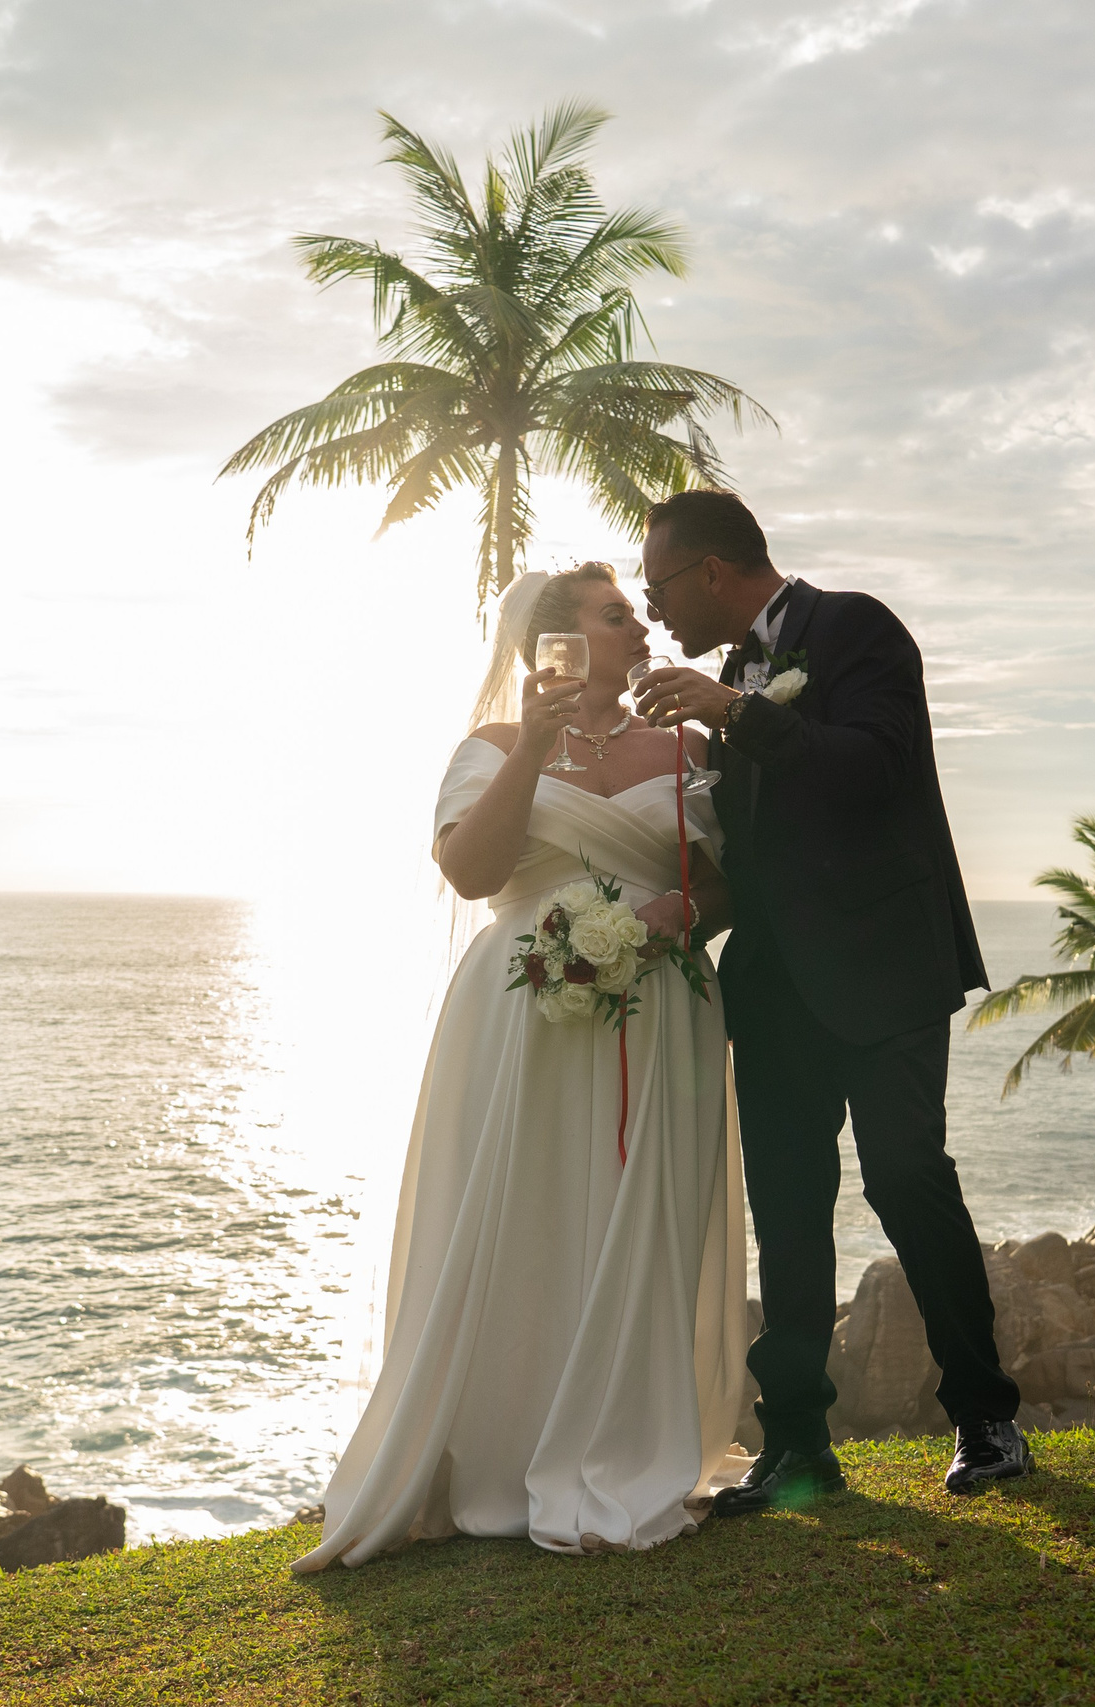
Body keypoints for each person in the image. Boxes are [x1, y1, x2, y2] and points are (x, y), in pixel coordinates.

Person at [293, 563, 750, 1573]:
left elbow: (726, 880)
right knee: (517, 1215)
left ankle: (621, 1445)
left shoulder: (684, 747)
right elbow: (470, 872)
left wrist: (684, 913)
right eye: (614, 614)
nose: (640, 625)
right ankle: (498, 1450)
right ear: (554, 641)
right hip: (519, 1008)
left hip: (659, 1005)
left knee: (644, 1212)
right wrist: (534, 744)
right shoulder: (493, 746)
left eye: (637, 613)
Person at [630, 489, 1030, 1511]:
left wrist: (738, 715)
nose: (653, 608)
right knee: (789, 1210)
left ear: (712, 571)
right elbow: (761, 845)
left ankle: (985, 1418)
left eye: (658, 585)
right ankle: (798, 1444)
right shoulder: (732, 676)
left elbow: (872, 769)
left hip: (886, 968)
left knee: (905, 1178)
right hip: (773, 985)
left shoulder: (855, 627)